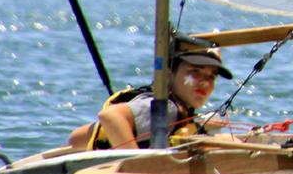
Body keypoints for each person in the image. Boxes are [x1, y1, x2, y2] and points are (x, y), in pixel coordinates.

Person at [67, 44, 233, 150]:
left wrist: (198, 124)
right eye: (195, 72)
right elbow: (110, 116)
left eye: (211, 76)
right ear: (169, 73)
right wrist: (136, 165)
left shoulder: (170, 109)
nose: (205, 83)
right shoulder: (165, 108)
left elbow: (76, 138)